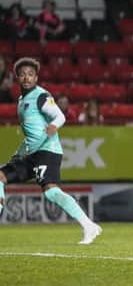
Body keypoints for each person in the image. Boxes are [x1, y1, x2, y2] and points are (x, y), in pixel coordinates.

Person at [0, 58, 101, 244]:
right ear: (17, 78)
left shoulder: (41, 96)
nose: (26, 78)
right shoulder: (22, 101)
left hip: (48, 150)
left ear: (36, 77)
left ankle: (89, 226)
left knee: (51, 192)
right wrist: (20, 151)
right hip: (30, 153)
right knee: (0, 177)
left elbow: (59, 115)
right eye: (22, 75)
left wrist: (54, 125)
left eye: (30, 74)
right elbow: (30, 133)